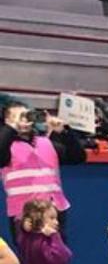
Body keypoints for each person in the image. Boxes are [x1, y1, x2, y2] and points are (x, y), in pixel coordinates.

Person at [1, 100, 86, 244]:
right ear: (7, 121)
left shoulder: (45, 142)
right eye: (18, 116)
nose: (24, 120)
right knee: (32, 261)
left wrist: (65, 131)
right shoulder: (7, 145)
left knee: (58, 257)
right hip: (24, 214)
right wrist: (12, 127)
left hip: (54, 210)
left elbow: (77, 157)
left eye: (27, 115)